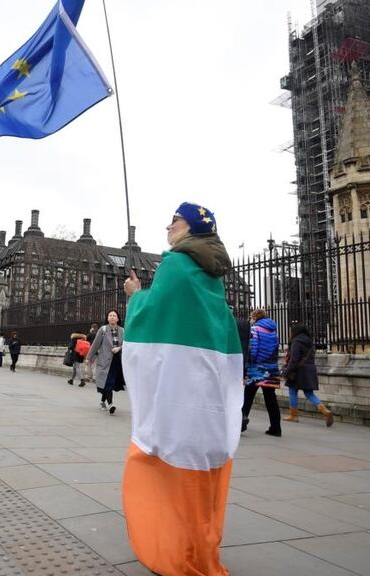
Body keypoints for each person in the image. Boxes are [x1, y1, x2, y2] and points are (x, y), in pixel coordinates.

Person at [120, 202, 242, 576]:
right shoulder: (214, 273)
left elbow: (152, 316)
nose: (167, 225)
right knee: (201, 471)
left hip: (181, 393)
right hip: (209, 394)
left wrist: (134, 295)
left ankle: (179, 553)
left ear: (189, 226)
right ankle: (201, 546)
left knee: (157, 460)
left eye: (173, 220)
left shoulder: (175, 264)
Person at [282, 323, 334, 427]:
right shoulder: (309, 342)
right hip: (310, 369)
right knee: (309, 393)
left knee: (292, 390)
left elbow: (294, 359)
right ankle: (325, 411)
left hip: (298, 371)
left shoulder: (296, 341)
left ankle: (294, 415)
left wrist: (286, 372)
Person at [241, 309, 282, 437]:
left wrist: (248, 364)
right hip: (271, 368)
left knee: (248, 397)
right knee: (271, 399)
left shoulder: (255, 329)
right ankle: (276, 428)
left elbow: (253, 349)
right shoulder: (273, 331)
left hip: (257, 369)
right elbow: (275, 348)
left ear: (255, 316)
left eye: (251, 316)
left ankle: (240, 424)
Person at [85, 313, 124, 413]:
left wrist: (119, 348)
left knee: (109, 382)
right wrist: (89, 357)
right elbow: (95, 345)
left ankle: (103, 401)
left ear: (118, 318)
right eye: (110, 315)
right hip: (105, 361)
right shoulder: (103, 329)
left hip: (117, 361)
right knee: (108, 382)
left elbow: (127, 344)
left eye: (114, 316)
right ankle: (111, 404)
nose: (112, 317)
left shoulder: (122, 330)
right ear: (107, 318)